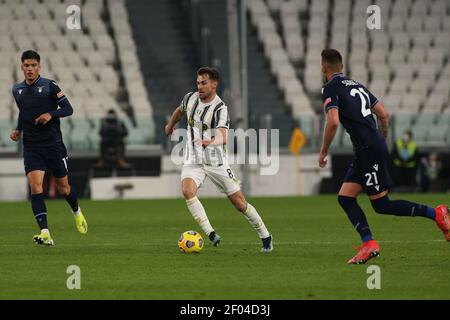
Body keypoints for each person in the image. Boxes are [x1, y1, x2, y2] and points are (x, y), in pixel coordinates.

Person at [318, 49, 449, 264]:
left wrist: (324, 150)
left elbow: (333, 121)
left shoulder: (330, 88)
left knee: (382, 205)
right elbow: (384, 115)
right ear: (342, 67)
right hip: (367, 148)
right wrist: (382, 138)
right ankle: (368, 244)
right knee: (345, 197)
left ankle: (437, 213)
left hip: (368, 149)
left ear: (324, 67)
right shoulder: (357, 85)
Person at [165, 67, 273, 252]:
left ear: (214, 84)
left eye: (204, 83)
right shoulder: (190, 98)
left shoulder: (220, 108)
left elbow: (223, 136)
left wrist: (209, 142)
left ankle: (266, 236)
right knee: (187, 190)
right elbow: (179, 110)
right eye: (198, 82)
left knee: (240, 203)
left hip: (216, 162)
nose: (200, 86)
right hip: (193, 159)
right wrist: (170, 125)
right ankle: (211, 234)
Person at [10, 50, 88, 246]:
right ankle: (45, 232)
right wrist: (18, 130)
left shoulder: (49, 86)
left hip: (53, 144)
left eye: (33, 65)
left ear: (39, 67)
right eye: (26, 65)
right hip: (31, 146)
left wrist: (50, 114)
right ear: (22, 67)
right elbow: (23, 112)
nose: (29, 69)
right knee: (36, 186)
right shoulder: (17, 90)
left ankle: (76, 211)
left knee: (63, 187)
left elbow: (68, 109)